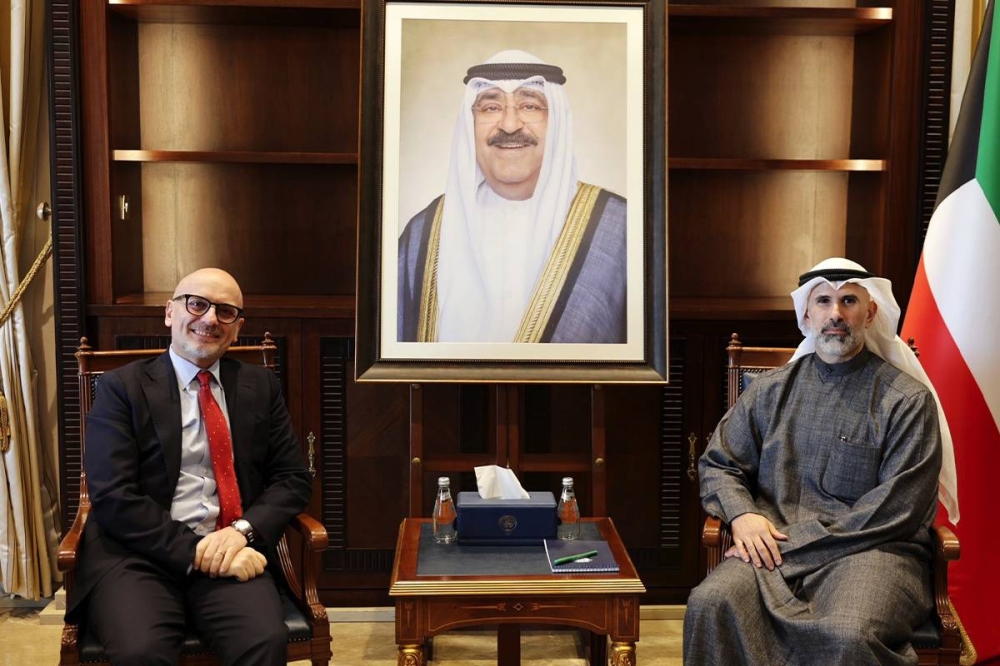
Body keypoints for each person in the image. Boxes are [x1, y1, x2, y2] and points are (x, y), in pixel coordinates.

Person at [683, 257, 959, 665]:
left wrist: (794, 543)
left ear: (871, 313)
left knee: (848, 632)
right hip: (771, 545)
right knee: (710, 601)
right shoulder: (769, 391)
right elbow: (720, 463)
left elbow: (898, 509)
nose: (836, 314)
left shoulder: (906, 400)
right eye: (824, 301)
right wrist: (742, 514)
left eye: (849, 301)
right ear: (807, 316)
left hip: (874, 552)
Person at [66, 268, 313, 666]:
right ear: (170, 313)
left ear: (238, 328)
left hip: (230, 547)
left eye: (226, 311)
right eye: (197, 304)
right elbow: (113, 496)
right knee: (141, 652)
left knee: (264, 641)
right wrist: (196, 550)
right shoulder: (121, 388)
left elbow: (292, 479)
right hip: (137, 557)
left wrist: (241, 533)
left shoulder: (260, 386)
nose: (210, 318)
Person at [398, 49, 627, 344]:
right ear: (470, 123)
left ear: (556, 121)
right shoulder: (424, 233)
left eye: (530, 106)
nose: (509, 125)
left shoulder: (620, 229)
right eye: (490, 107)